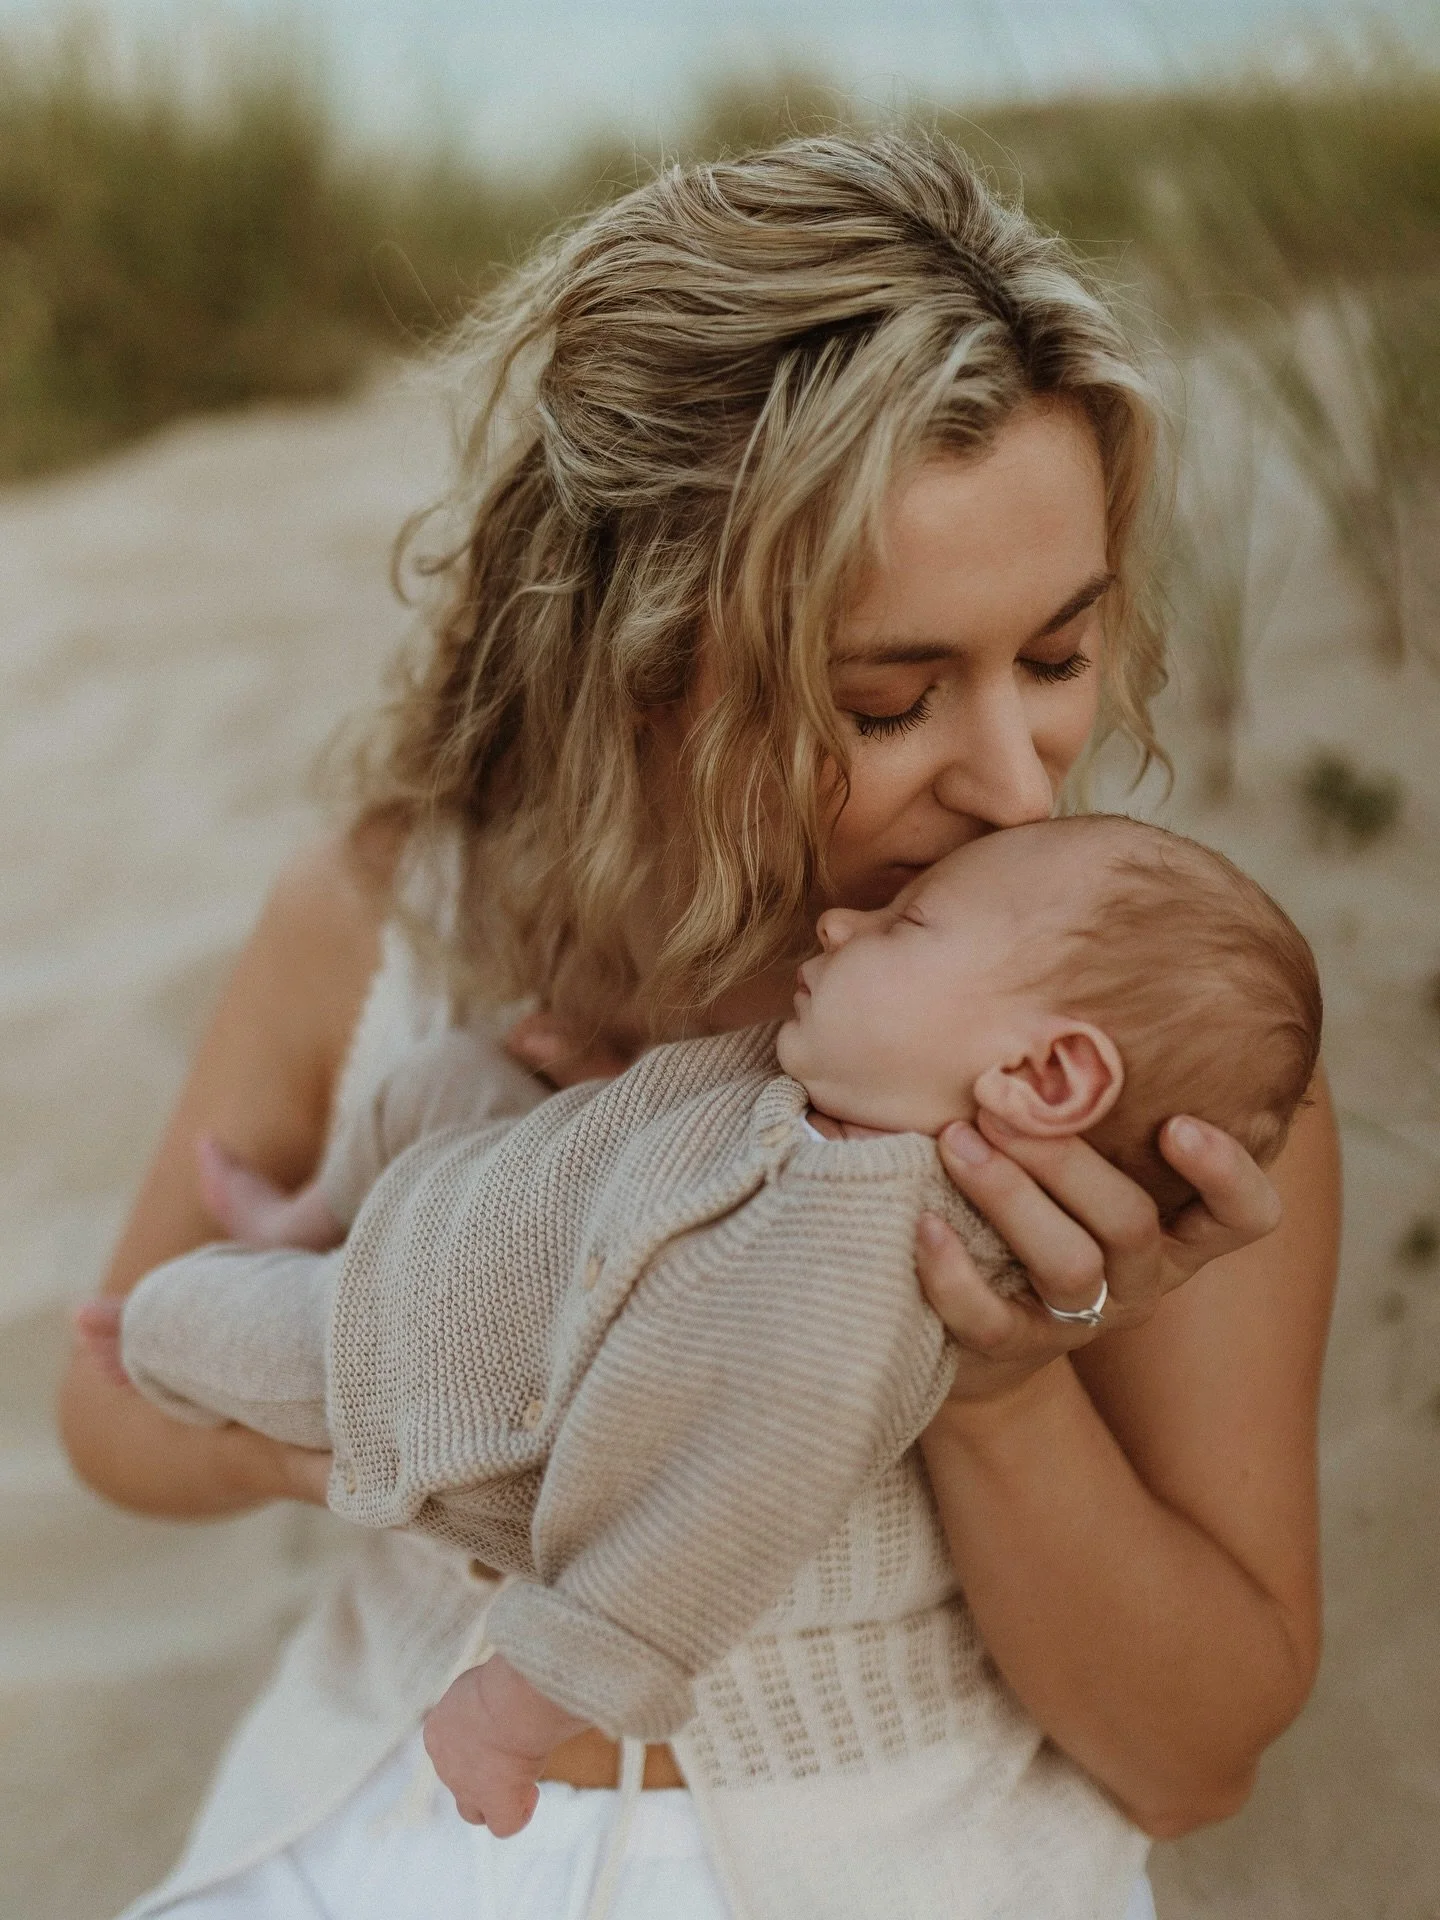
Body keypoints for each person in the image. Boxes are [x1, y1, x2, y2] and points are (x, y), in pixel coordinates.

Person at [58, 132, 1340, 1920]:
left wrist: (995, 1392)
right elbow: (108, 1406)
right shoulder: (399, 920)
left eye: (1057, 659)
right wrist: (405, 1375)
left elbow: (1196, 1760)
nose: (1013, 781)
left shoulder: (1123, 1048)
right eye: (890, 697)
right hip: (377, 1822)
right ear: (639, 653)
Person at [94, 814, 1324, 1850]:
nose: (846, 927)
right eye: (891, 692)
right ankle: (307, 1211)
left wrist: (531, 1696)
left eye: (906, 929)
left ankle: (261, 1268)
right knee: (442, 1081)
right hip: (490, 1209)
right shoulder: (836, 1067)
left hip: (415, 1364)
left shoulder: (865, 1264)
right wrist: (603, 1107)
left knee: (174, 1314)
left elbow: (725, 1500)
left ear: (1045, 1080)